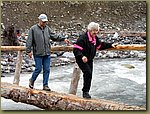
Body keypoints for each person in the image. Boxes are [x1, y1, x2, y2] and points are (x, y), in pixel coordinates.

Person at [73, 22, 117, 99]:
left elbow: (100, 45)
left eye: (97, 30)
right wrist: (82, 56)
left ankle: (86, 91)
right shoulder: (82, 38)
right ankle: (85, 92)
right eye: (94, 30)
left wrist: (111, 45)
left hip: (89, 59)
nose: (96, 32)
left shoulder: (95, 38)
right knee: (87, 72)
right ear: (90, 30)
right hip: (81, 59)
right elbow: (76, 49)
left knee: (89, 75)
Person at [26, 14, 70, 91]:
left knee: (47, 69)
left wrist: (63, 39)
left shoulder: (47, 29)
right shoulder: (33, 29)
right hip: (38, 53)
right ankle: (32, 80)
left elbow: (54, 36)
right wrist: (28, 51)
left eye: (45, 22)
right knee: (38, 69)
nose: (44, 23)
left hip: (47, 53)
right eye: (43, 22)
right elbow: (29, 40)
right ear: (39, 20)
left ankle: (45, 85)